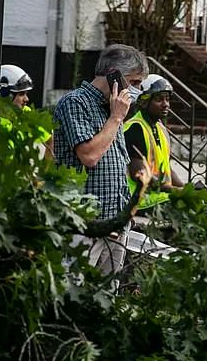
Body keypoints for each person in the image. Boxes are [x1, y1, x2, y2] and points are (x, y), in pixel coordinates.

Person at [52, 44, 148, 273]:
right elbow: (89, 156)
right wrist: (116, 118)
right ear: (113, 73)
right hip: (83, 223)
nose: (137, 90)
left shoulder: (112, 108)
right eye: (134, 82)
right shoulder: (75, 103)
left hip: (115, 224)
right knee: (73, 293)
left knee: (106, 298)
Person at [125, 74, 184, 210]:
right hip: (139, 201)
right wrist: (175, 191)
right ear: (144, 102)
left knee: (198, 203)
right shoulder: (135, 128)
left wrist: (187, 189)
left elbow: (166, 170)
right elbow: (141, 176)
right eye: (159, 99)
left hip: (158, 196)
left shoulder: (160, 128)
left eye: (167, 99)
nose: (165, 104)